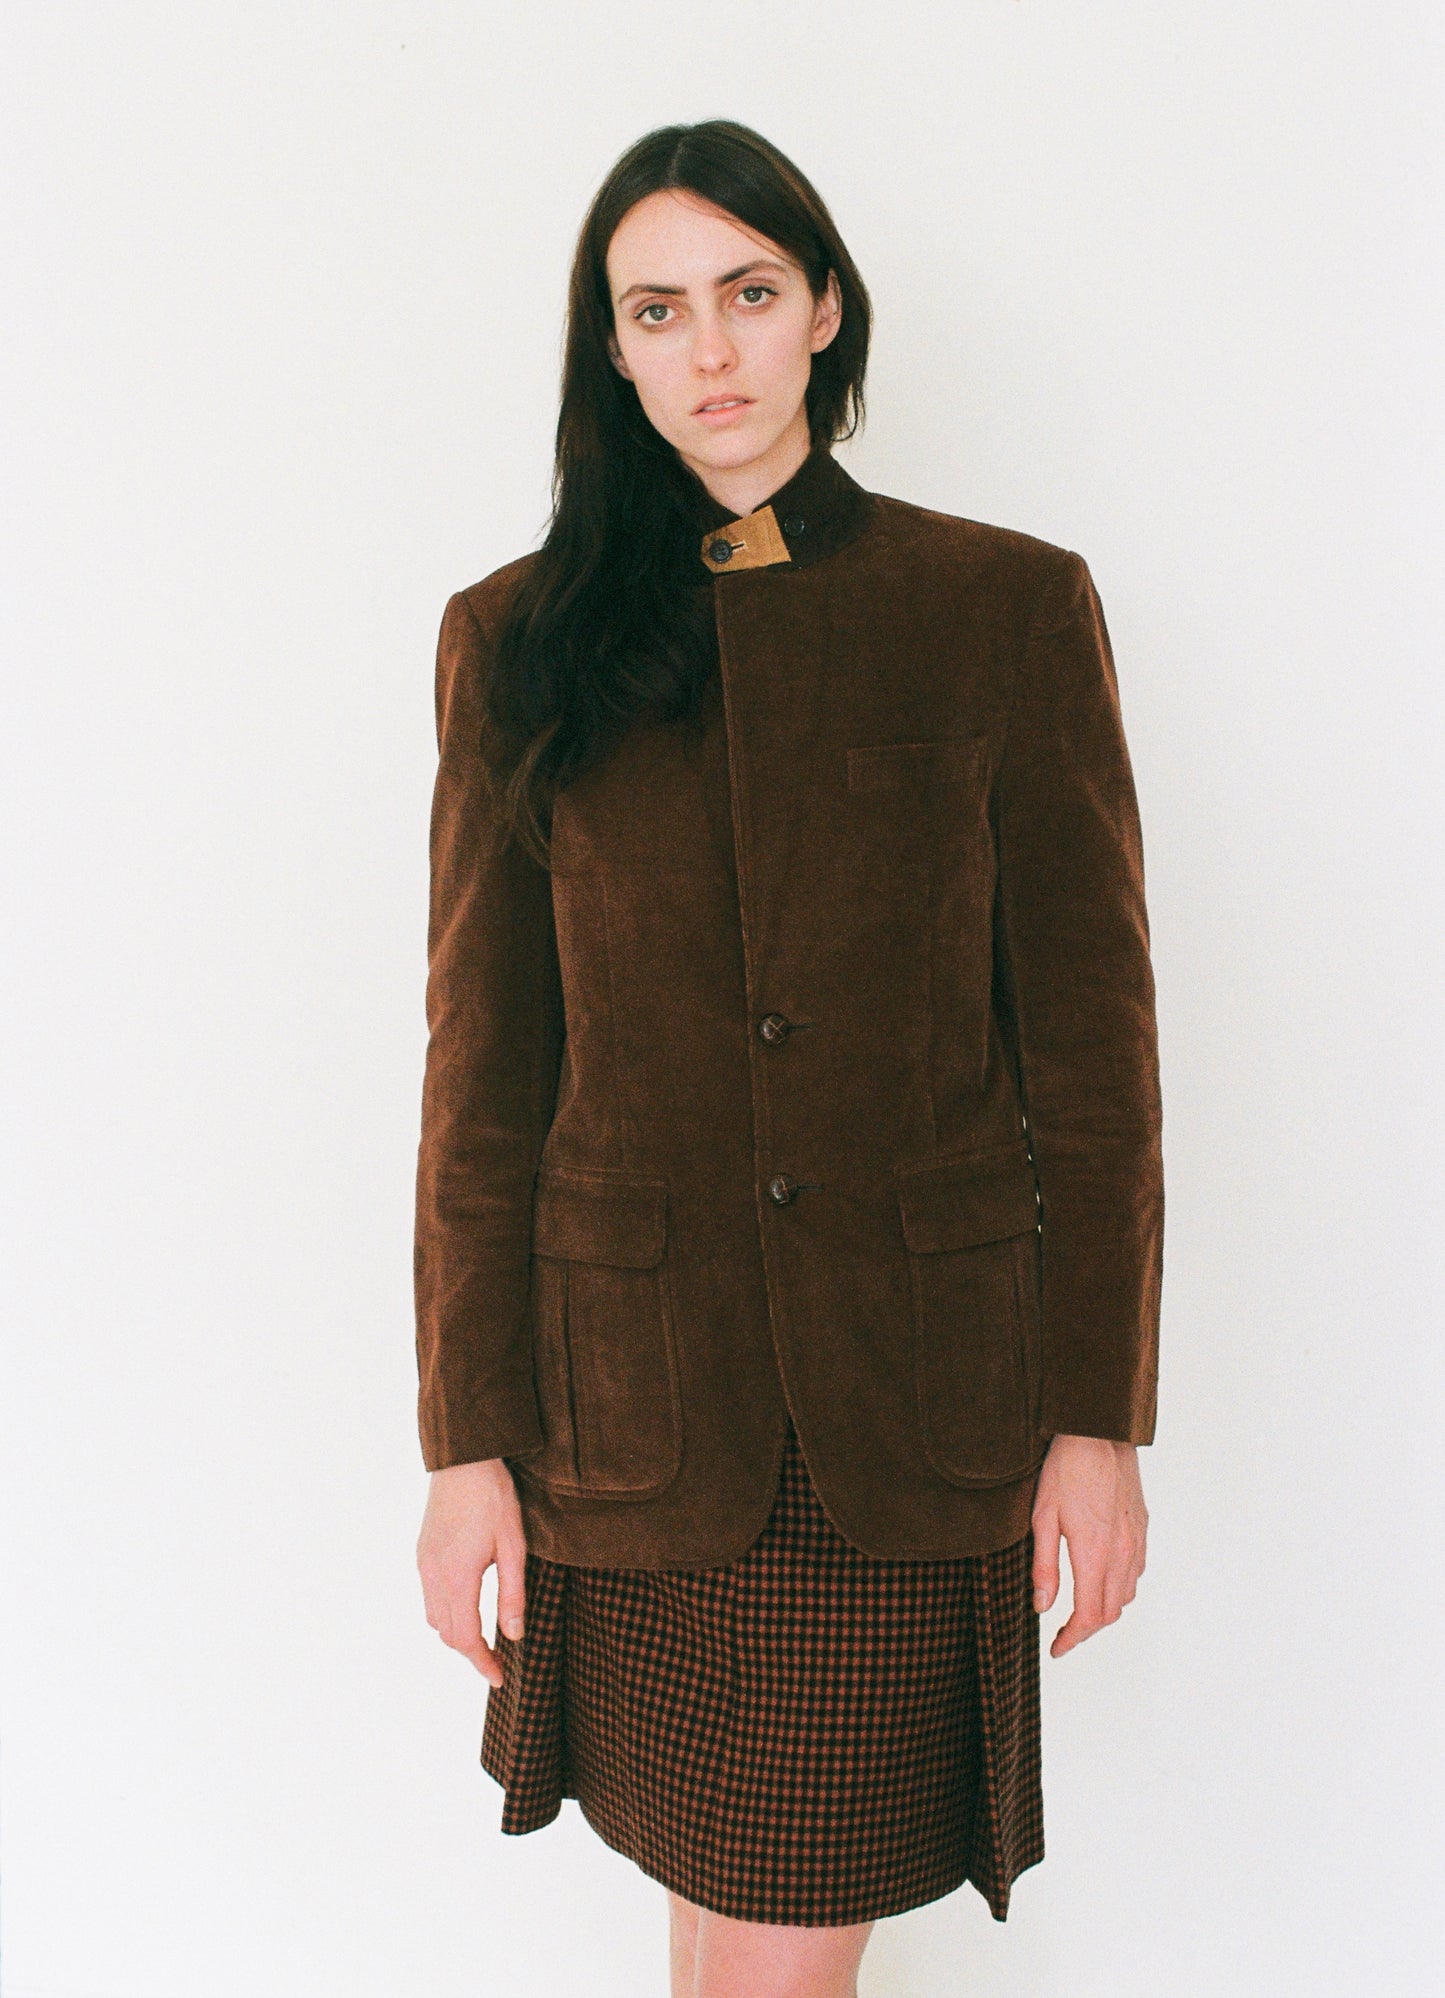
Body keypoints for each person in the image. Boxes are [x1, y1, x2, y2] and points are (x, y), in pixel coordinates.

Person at [413, 118, 1162, 1998]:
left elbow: (1092, 1051)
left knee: (768, 1934)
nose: (712, 352)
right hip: (638, 1418)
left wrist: (1102, 1413)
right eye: (657, 310)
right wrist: (463, 1444)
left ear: (824, 308)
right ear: (612, 348)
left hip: (901, 1418)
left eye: (749, 295)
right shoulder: (518, 640)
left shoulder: (997, 606)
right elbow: (483, 1071)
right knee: (724, 1913)